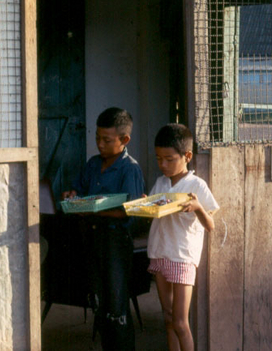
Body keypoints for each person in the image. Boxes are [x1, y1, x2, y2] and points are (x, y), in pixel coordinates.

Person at [62, 107, 145, 351]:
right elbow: (78, 189)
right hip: (92, 238)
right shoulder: (92, 164)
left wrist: (96, 210)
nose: (99, 144)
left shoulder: (130, 169)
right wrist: (72, 195)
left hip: (116, 242)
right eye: (97, 138)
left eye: (106, 140)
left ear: (125, 140)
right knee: (99, 300)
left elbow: (132, 210)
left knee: (116, 305)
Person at [147, 123, 218, 351]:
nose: (163, 165)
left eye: (169, 159)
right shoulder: (161, 182)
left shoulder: (197, 185)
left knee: (180, 322)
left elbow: (211, 225)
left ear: (187, 156)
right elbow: (154, 210)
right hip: (159, 252)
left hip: (182, 257)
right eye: (159, 159)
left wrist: (197, 207)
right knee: (168, 318)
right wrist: (145, 204)